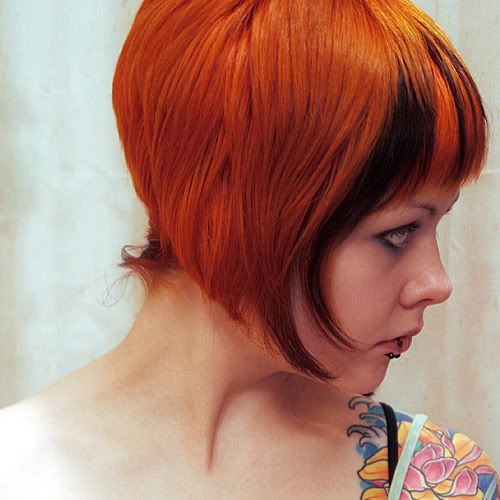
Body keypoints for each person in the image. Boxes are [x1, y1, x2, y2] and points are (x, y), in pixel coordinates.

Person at [0, 0, 498, 498]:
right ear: (238, 212)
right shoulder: (16, 473)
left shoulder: (439, 480)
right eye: (398, 233)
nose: (438, 283)